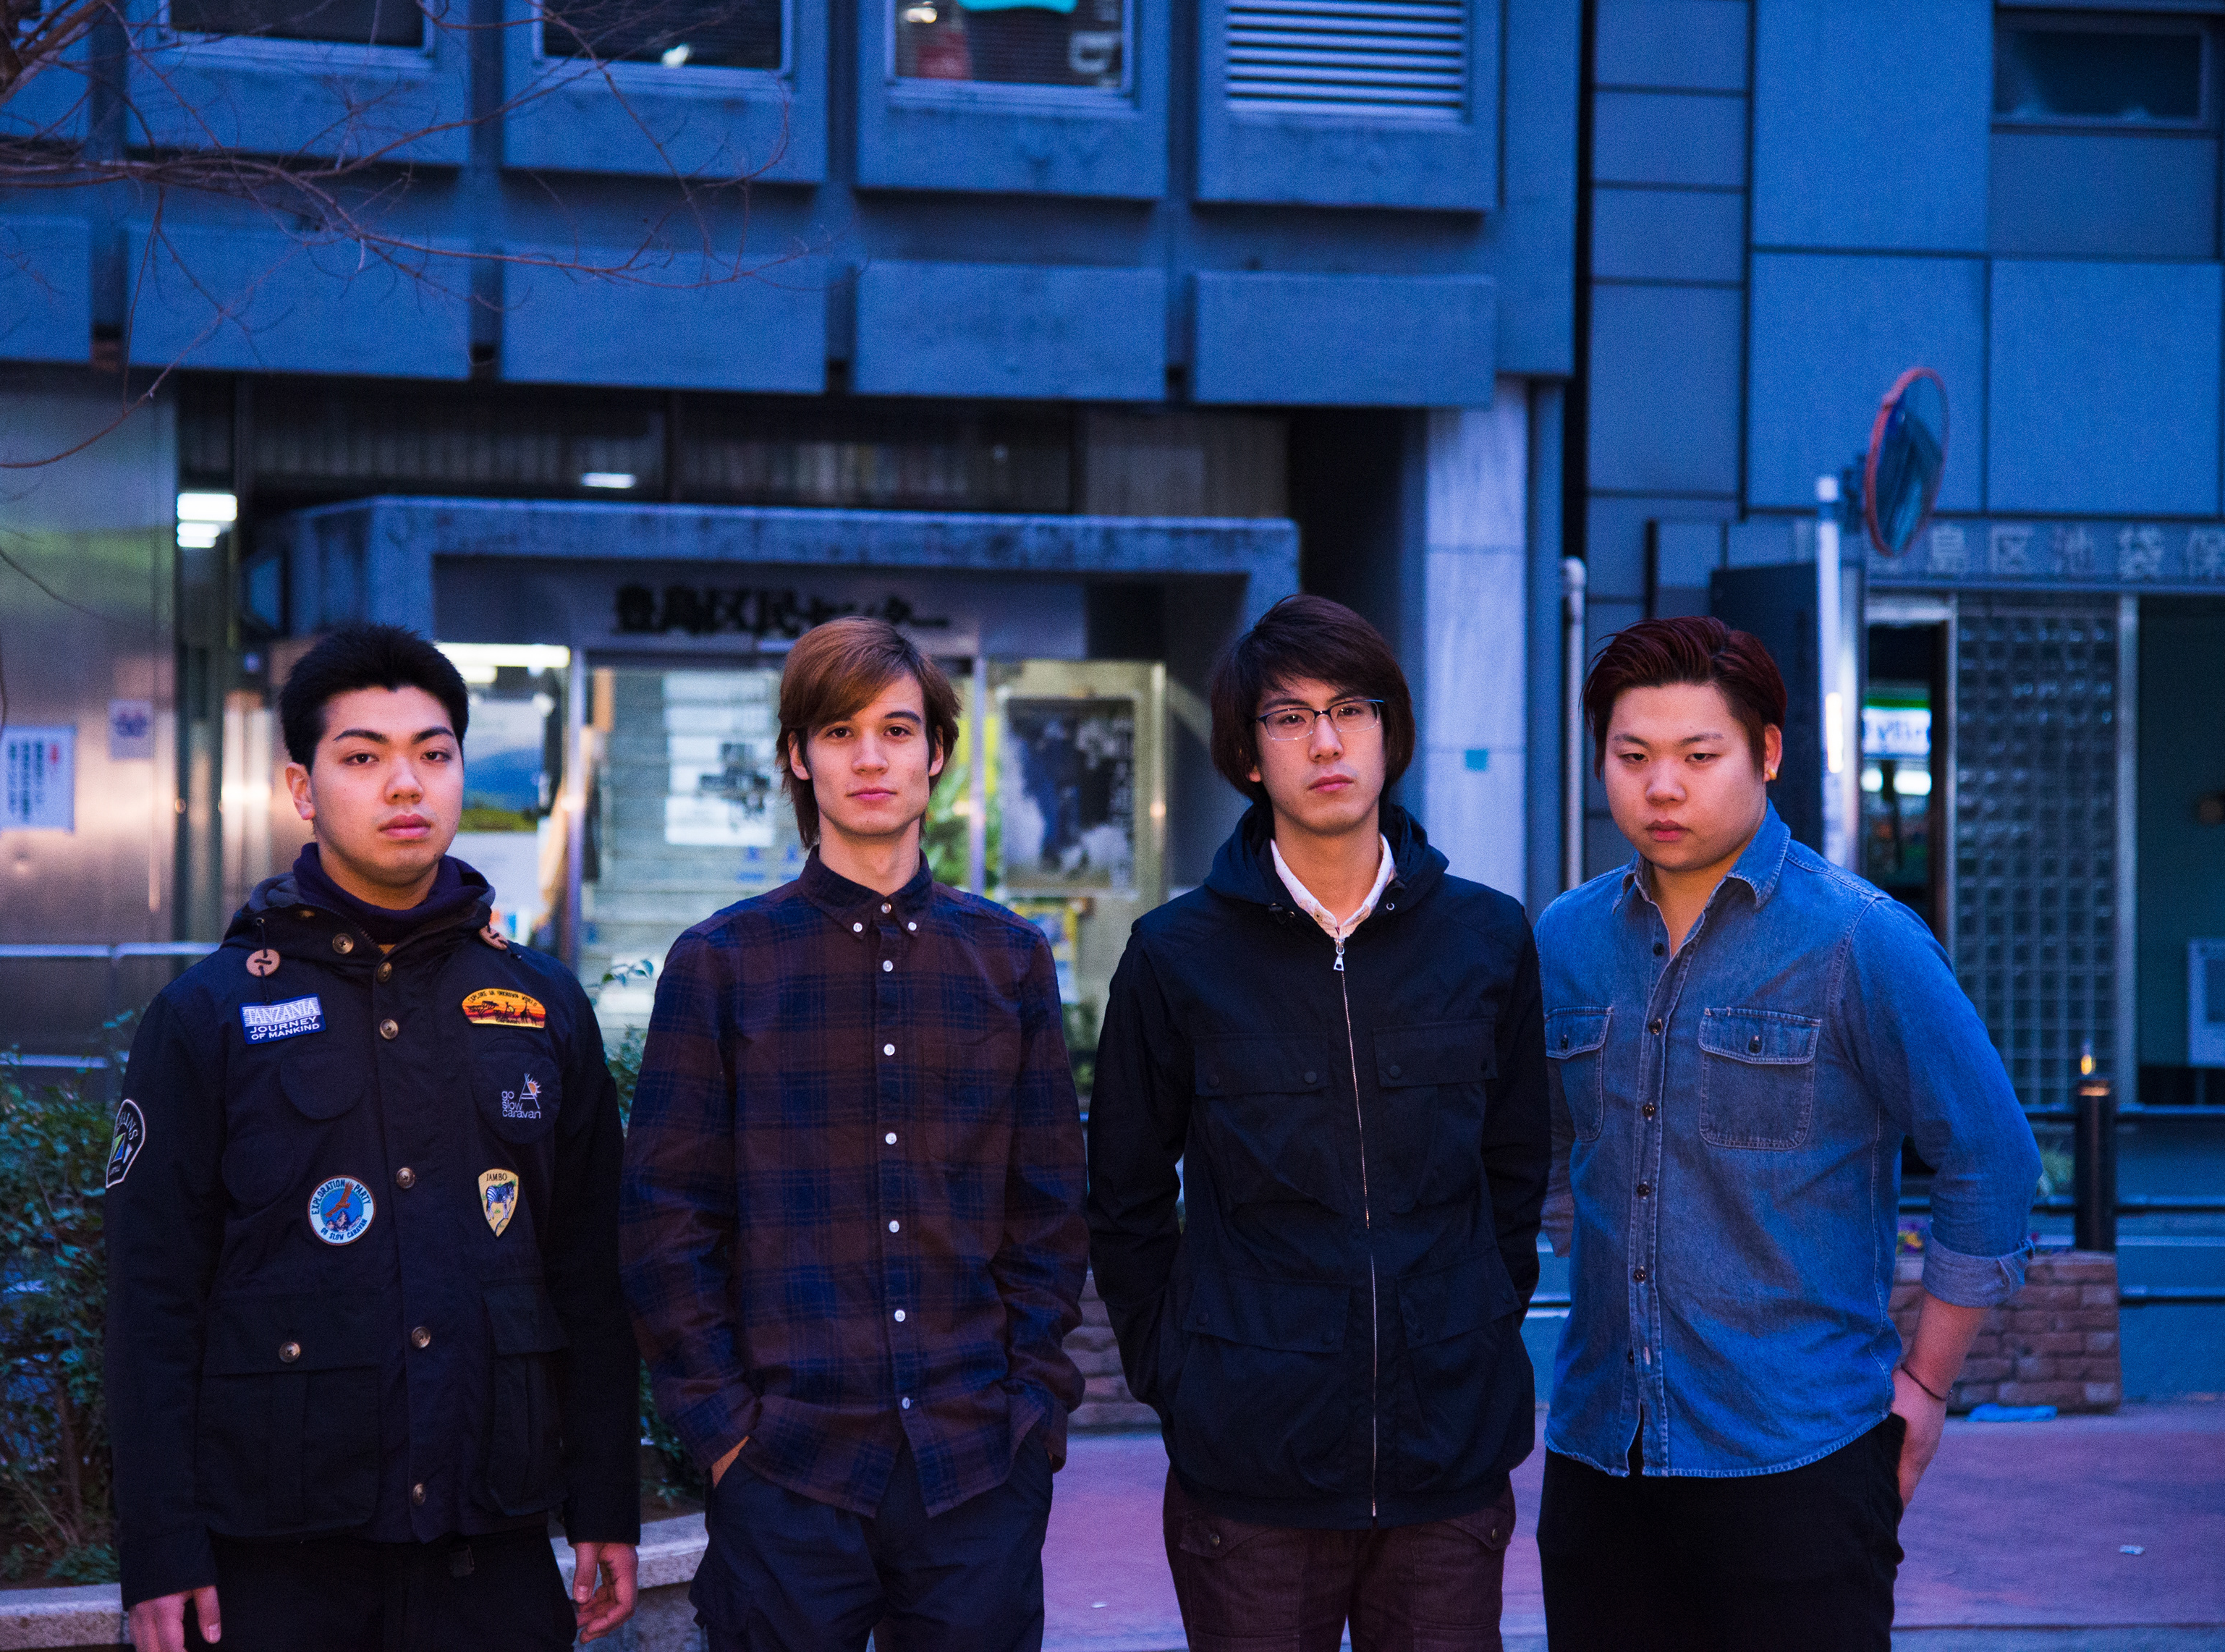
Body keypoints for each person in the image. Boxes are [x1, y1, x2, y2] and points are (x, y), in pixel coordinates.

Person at [106, 624, 638, 1652]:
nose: (406, 784)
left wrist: (606, 1500)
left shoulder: (541, 1004)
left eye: (434, 754)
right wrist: (160, 1546)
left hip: (492, 1543)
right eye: (363, 757)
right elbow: (152, 1297)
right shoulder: (208, 1015)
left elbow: (591, 1275)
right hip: (278, 1555)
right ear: (302, 790)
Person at [1532, 616, 2039, 1651]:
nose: (1662, 788)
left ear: (1766, 753)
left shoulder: (1859, 938)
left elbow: (1991, 1159)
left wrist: (1927, 1387)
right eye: (1632, 757)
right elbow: (1539, 1145)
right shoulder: (1566, 939)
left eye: (1698, 756)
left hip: (1799, 1460)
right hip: (1600, 1457)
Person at [1087, 593, 1551, 1652]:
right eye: (1290, 718)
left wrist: (1475, 1325)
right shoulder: (1176, 956)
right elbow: (1124, 1199)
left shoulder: (1487, 938)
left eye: (1351, 710)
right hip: (1249, 1473)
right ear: (1249, 754)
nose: (1327, 742)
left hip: (1445, 1465)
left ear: (1392, 732)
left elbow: (1516, 1169)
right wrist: (1180, 1376)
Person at [621, 616, 1088, 1652]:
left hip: (976, 1465)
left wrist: (1032, 1414)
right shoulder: (722, 963)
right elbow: (667, 1221)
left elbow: (1050, 1210)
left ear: (936, 754)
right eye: (839, 732)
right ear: (799, 756)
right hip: (785, 1469)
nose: (870, 758)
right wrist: (725, 1435)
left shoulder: (1009, 960)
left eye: (896, 730)